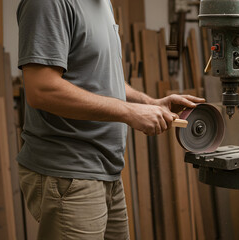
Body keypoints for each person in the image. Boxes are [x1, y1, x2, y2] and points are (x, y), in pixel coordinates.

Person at [16, 0, 205, 239]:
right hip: (70, 172)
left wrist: (148, 103)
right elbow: (42, 89)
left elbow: (101, 78)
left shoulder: (102, 3)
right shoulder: (49, 4)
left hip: (107, 170)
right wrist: (129, 112)